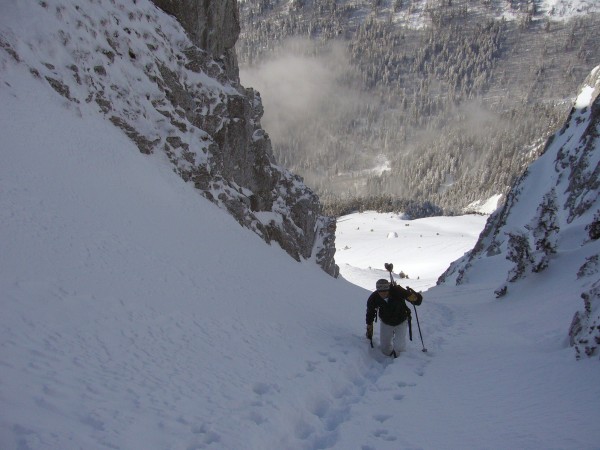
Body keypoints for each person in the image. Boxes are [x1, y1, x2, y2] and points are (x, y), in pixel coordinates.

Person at [366, 278, 423, 358]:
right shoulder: (374, 298)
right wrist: (369, 326)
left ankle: (400, 362)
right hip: (386, 322)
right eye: (380, 292)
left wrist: (416, 297)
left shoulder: (397, 291)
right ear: (377, 290)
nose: (383, 294)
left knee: (399, 347)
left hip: (401, 321)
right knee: (385, 349)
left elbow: (416, 301)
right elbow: (370, 312)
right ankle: (388, 357)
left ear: (388, 289)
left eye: (385, 291)